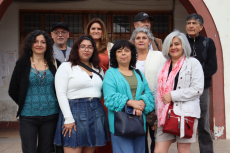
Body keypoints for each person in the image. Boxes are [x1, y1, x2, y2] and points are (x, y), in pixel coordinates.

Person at [54, 35, 110, 153]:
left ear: (94, 50)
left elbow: (102, 92)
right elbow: (61, 94)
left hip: (96, 111)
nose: (86, 49)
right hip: (74, 111)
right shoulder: (66, 66)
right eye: (83, 46)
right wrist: (68, 118)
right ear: (76, 49)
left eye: (90, 47)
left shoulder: (98, 69)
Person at [8, 30, 61, 153]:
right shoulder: (22, 64)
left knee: (46, 150)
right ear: (30, 44)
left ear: (47, 45)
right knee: (29, 150)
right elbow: (13, 90)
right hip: (28, 116)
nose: (39, 44)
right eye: (35, 41)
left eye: (43, 42)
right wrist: (25, 101)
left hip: (51, 115)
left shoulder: (55, 64)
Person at [153, 30, 204, 153]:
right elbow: (157, 92)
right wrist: (156, 116)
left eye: (177, 44)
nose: (173, 47)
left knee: (183, 151)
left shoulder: (193, 63)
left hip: (185, 115)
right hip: (164, 115)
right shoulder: (163, 66)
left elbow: (197, 89)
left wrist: (173, 95)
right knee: (158, 150)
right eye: (170, 44)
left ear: (183, 45)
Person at [103, 40, 154, 153]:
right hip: (121, 124)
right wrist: (131, 102)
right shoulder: (110, 73)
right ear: (114, 55)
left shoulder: (138, 73)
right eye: (119, 51)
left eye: (127, 51)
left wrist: (141, 103)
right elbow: (109, 98)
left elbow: (149, 95)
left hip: (139, 123)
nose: (123, 53)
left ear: (132, 54)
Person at [185, 13, 217, 153]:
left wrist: (196, 79)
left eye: (194, 23)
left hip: (202, 89)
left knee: (203, 124)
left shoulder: (208, 43)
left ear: (201, 27)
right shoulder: (180, 42)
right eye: (188, 23)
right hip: (183, 90)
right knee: (183, 122)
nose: (191, 26)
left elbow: (212, 66)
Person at [130, 27, 165, 153]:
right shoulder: (129, 57)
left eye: (144, 38)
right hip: (136, 104)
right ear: (133, 41)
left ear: (150, 41)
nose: (141, 40)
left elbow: (164, 79)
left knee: (157, 139)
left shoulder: (159, 56)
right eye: (137, 38)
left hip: (156, 102)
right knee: (140, 139)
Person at [85, 18, 113, 153]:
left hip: (106, 92)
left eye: (99, 28)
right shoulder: (83, 46)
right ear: (88, 31)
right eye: (93, 28)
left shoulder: (110, 47)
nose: (96, 31)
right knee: (90, 127)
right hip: (89, 91)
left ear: (103, 32)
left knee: (105, 126)